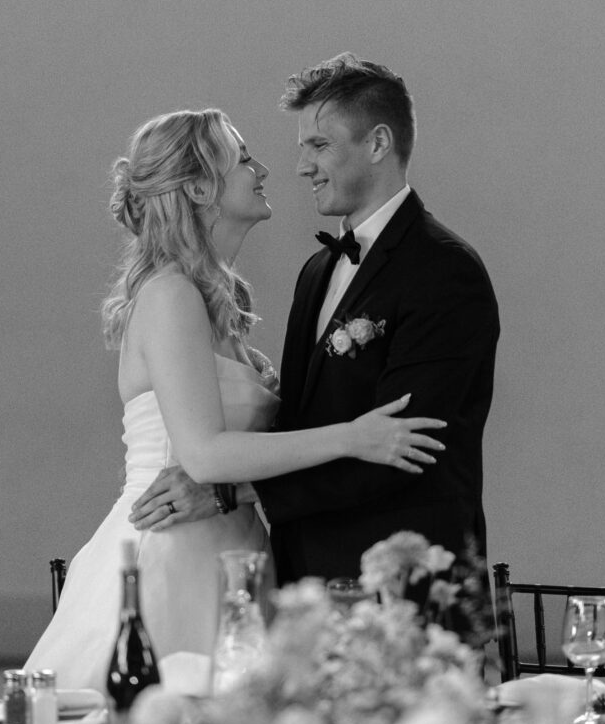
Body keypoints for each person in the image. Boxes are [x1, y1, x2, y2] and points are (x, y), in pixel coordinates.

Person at [24, 107, 446, 691]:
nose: (264, 167)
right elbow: (202, 456)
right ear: (198, 186)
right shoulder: (169, 293)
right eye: (243, 157)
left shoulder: (214, 301)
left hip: (234, 547)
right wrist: (355, 436)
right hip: (174, 553)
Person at [130, 55, 500, 587]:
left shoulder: (444, 271)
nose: (301, 166)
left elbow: (400, 445)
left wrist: (229, 492)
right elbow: (305, 427)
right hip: (301, 578)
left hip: (401, 589)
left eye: (318, 146)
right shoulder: (318, 270)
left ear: (377, 144)